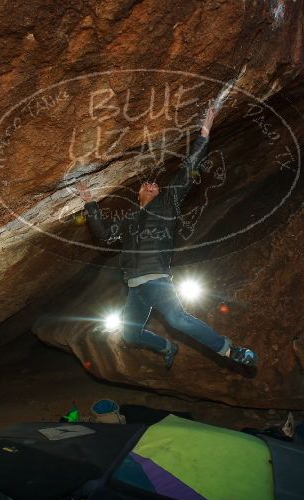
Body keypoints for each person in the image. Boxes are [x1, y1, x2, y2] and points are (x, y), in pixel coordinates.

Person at [76, 104, 256, 370]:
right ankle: (167, 347)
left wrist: (204, 133)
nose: (152, 185)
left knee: (178, 320)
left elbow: (188, 169)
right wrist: (90, 203)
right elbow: (104, 235)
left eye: (156, 185)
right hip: (135, 289)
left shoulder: (167, 203)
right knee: (129, 334)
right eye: (146, 184)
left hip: (158, 282)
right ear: (138, 194)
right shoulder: (127, 221)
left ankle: (231, 351)